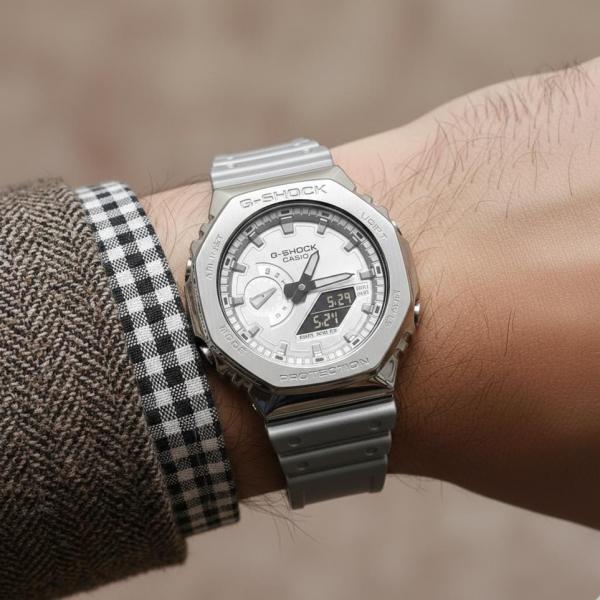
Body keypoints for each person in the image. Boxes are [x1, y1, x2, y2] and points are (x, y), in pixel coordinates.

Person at [1, 59, 599, 599]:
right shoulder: (222, 313)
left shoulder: (371, 275)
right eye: (290, 289)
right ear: (203, 326)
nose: (298, 290)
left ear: (408, 299)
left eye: (303, 286)